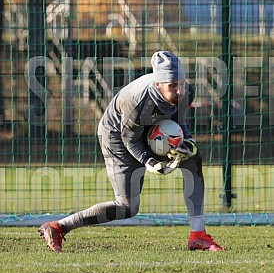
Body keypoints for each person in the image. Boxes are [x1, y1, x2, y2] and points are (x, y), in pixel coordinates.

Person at [38, 51, 224, 253]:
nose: (180, 90)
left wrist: (187, 141)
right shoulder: (137, 101)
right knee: (127, 207)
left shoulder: (185, 91)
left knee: (192, 159)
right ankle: (59, 226)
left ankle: (198, 235)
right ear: (157, 85)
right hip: (117, 135)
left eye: (181, 83)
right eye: (172, 86)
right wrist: (150, 162)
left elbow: (180, 122)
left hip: (151, 129)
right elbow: (129, 138)